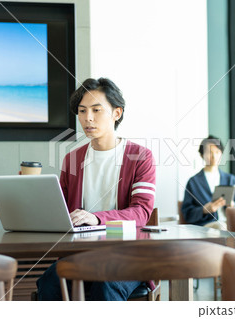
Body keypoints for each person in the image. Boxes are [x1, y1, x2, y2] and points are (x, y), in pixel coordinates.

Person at [37, 78, 156, 300]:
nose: (87, 118)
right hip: (81, 253)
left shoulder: (140, 157)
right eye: (82, 111)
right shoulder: (73, 159)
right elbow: (60, 210)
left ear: (116, 113)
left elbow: (141, 212)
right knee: (49, 282)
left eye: (96, 110)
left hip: (128, 255)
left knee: (106, 284)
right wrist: (33, 193)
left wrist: (96, 218)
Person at [181, 135, 235, 229]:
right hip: (206, 225)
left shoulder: (231, 179)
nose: (214, 156)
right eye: (209, 152)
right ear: (202, 155)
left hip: (231, 223)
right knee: (221, 227)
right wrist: (204, 210)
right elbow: (187, 214)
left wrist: (233, 205)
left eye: (217, 152)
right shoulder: (193, 182)